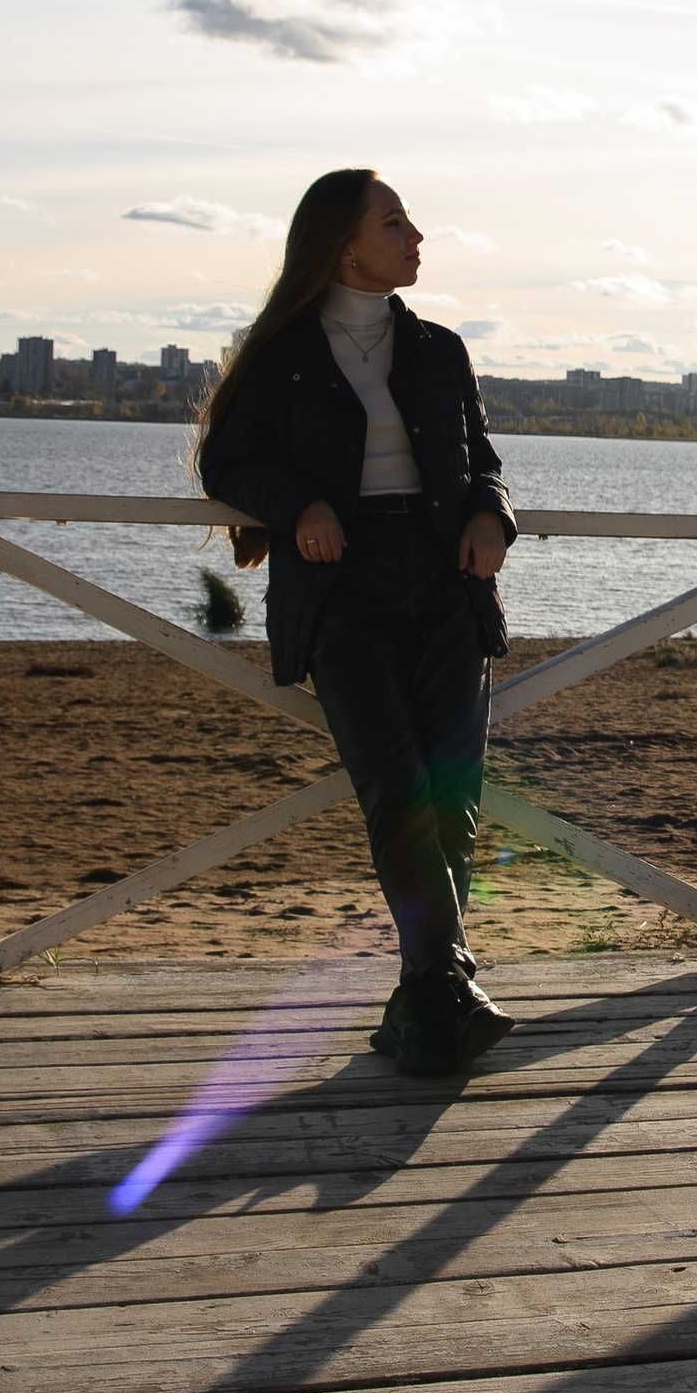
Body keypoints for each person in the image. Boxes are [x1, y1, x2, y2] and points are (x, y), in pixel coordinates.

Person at [197, 168, 518, 1077]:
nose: (417, 237)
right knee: (399, 790)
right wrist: (298, 504)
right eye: (396, 223)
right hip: (341, 594)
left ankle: (431, 995)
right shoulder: (281, 351)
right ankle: (445, 983)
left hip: (445, 587)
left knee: (451, 796)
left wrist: (491, 517)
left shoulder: (439, 350)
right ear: (343, 244)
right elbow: (227, 459)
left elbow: (483, 463)